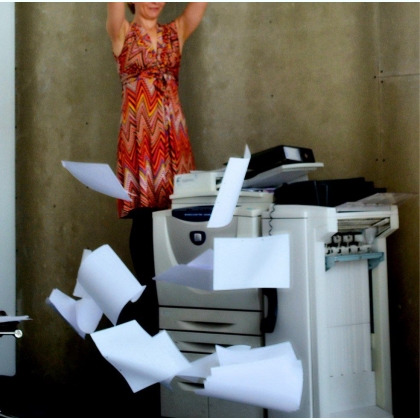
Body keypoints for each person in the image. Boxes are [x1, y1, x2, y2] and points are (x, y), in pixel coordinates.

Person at [106, 2, 207, 335]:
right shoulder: (122, 33)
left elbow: (198, 7)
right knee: (145, 222)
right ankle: (148, 308)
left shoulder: (175, 33)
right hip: (141, 146)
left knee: (175, 223)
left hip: (175, 144)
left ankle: (169, 311)